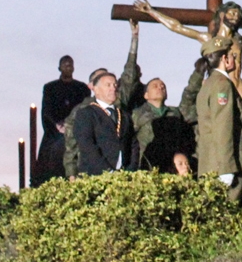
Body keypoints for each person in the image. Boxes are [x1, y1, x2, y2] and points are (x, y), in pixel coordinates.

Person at [133, 0, 242, 101]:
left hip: (238, 88)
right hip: (218, 89)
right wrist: (152, 12)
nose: (234, 17)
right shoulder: (209, 39)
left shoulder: (240, 41)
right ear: (222, 16)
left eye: (237, 15)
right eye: (231, 13)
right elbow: (178, 27)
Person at [64, 25, 141, 178]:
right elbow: (78, 144)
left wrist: (129, 172)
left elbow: (133, 145)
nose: (113, 88)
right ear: (94, 87)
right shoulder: (84, 111)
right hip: (96, 174)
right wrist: (71, 173)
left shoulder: (122, 113)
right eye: (107, 84)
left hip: (123, 177)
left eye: (114, 85)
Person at [195, 38, 242, 200]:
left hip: (210, 162)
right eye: (232, 55)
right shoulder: (222, 84)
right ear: (225, 59)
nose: (234, 58)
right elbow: (223, 126)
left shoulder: (208, 85)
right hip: (223, 164)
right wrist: (226, 167)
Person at [130, 57, 205, 172]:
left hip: (172, 167)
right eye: (155, 86)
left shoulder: (175, 113)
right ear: (146, 95)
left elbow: (189, 95)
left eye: (163, 86)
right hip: (147, 167)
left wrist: (199, 72)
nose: (160, 88)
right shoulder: (137, 114)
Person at [35, 54, 91, 183]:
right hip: (55, 132)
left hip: (77, 130)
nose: (68, 67)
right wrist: (57, 125)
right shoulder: (50, 88)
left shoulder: (82, 88)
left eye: (70, 65)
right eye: (65, 65)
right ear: (59, 68)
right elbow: (46, 111)